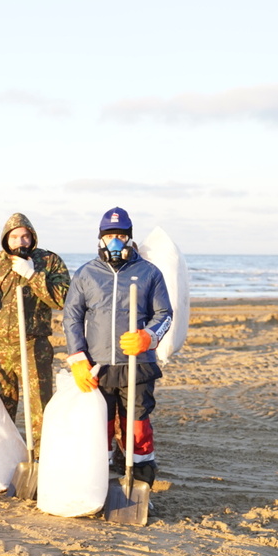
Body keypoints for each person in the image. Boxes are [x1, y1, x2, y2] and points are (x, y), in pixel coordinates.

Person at [63, 207, 172, 485]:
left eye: (121, 236)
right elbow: (72, 317)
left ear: (129, 238)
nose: (115, 241)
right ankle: (98, 483)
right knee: (100, 426)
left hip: (138, 365)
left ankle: (140, 483)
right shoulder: (86, 273)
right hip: (98, 365)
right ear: (100, 238)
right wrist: (77, 358)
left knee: (136, 427)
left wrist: (148, 337)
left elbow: (165, 314)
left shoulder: (148, 272)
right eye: (109, 235)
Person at [0, 213, 69, 448]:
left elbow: (62, 299)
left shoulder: (49, 261)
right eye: (14, 237)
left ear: (32, 237)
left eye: (25, 236)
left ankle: (40, 457)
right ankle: (3, 457)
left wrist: (33, 275)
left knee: (40, 407)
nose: (20, 242)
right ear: (6, 239)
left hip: (34, 345)